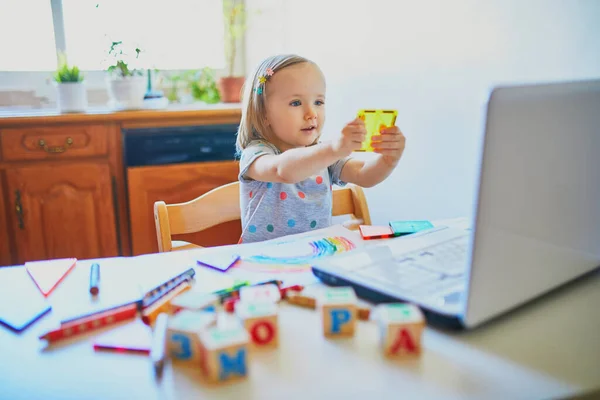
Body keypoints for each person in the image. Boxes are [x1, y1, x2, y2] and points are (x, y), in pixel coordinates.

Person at [236, 54, 406, 244]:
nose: (311, 114)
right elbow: (282, 170)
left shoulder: (323, 155)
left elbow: (363, 175)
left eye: (318, 102)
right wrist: (334, 149)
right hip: (265, 261)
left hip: (317, 256)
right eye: (296, 103)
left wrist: (388, 160)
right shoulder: (256, 154)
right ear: (264, 113)